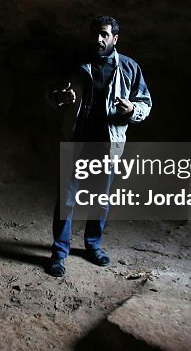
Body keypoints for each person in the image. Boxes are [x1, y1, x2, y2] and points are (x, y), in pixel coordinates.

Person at [46, 15, 152, 277]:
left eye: (104, 34)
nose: (98, 39)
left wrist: (131, 109)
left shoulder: (129, 68)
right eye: (95, 33)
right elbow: (50, 95)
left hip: (108, 144)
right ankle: (59, 253)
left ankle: (92, 246)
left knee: (100, 201)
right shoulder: (75, 64)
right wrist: (60, 97)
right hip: (77, 141)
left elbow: (145, 104)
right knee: (67, 200)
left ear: (115, 38)